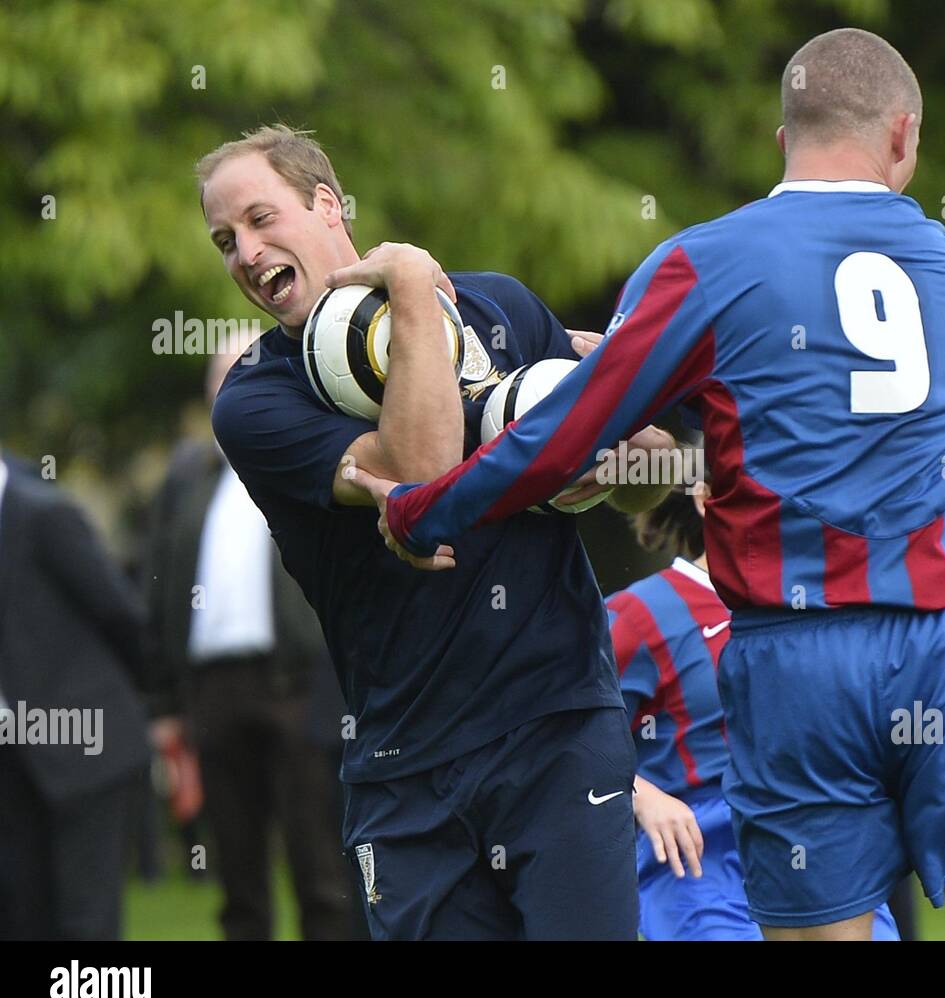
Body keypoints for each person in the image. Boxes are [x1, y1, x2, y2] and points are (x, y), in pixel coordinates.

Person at [353, 29, 945, 940]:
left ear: (782, 140)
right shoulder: (944, 266)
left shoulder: (706, 263)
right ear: (903, 139)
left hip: (799, 657)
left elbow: (568, 439)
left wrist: (424, 507)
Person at [197, 124, 668, 940]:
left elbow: (655, 468)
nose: (244, 251)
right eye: (225, 240)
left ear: (326, 204)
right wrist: (411, 284)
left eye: (260, 219)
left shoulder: (498, 307)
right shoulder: (253, 400)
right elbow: (422, 477)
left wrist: (607, 453)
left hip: (558, 733)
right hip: (406, 768)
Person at [608, 470, 900, 940]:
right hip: (702, 862)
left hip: (824, 848)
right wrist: (643, 796)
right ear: (706, 498)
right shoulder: (638, 614)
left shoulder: (821, 609)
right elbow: (567, 741)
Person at [142, 349, 357, 940]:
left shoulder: (304, 459)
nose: (231, 390)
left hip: (298, 684)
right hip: (212, 691)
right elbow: (158, 592)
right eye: (221, 378)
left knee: (318, 863)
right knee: (235, 868)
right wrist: (163, 704)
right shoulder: (188, 483)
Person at [0, 453, 152, 940]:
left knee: (86, 924)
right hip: (14, 759)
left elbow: (122, 617)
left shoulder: (45, 515)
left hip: (90, 752)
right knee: (22, 917)